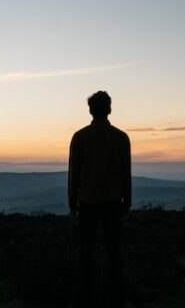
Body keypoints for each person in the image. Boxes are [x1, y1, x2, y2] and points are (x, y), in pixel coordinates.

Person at [68, 91, 132, 307]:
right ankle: (116, 296)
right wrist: (127, 201)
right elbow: (126, 173)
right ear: (110, 109)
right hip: (114, 202)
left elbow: (73, 172)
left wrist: (71, 202)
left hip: (87, 202)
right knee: (114, 251)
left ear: (90, 110)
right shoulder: (121, 137)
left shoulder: (80, 137)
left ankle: (84, 297)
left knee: (86, 251)